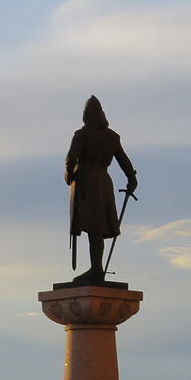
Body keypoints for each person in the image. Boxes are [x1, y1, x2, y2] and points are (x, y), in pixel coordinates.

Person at [65, 96, 137, 283]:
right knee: (95, 227)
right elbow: (124, 161)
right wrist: (131, 178)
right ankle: (96, 268)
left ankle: (96, 269)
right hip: (104, 182)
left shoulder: (82, 135)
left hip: (87, 181)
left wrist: (69, 174)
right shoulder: (112, 137)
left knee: (93, 227)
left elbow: (71, 158)